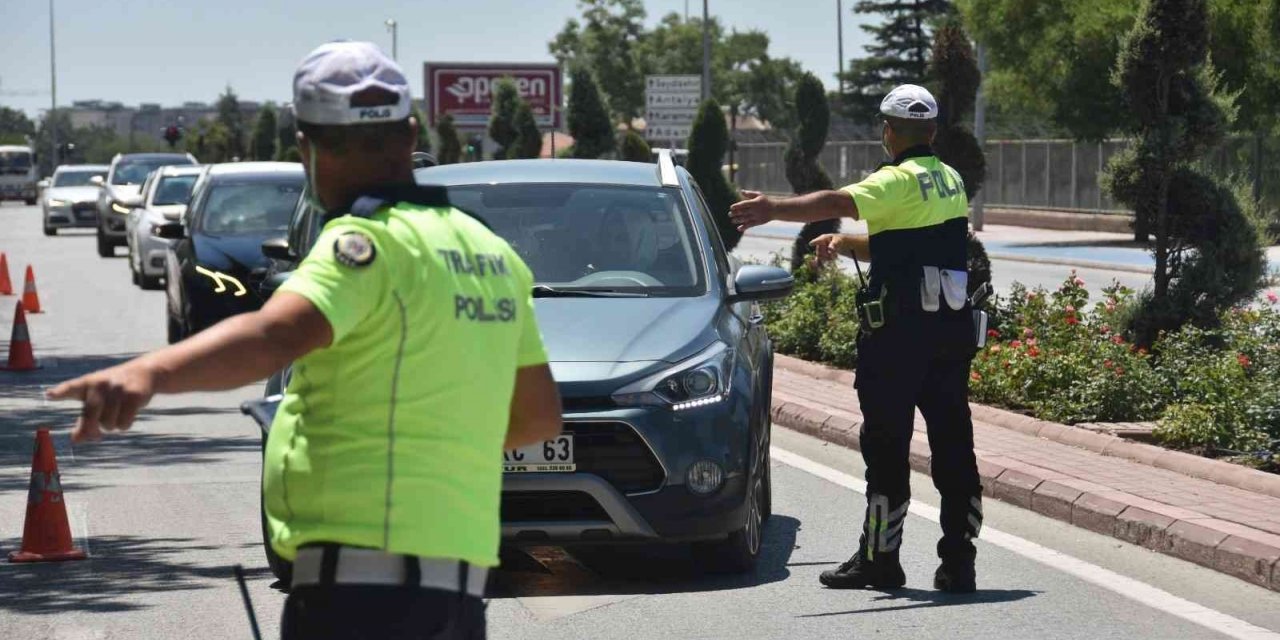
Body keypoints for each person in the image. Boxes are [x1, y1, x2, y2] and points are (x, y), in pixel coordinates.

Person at [48, 41, 563, 638]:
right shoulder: (490, 253)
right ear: (411, 134)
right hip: (458, 595)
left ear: (309, 149)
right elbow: (537, 417)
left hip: (360, 598)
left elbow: (274, 333)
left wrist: (149, 373)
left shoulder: (364, 245)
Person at [729, 84, 983, 593]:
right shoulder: (947, 179)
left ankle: (879, 560)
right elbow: (908, 245)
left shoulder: (895, 180)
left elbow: (835, 199)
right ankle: (959, 563)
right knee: (954, 446)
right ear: (931, 132)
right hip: (949, 335)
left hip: (898, 342)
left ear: (889, 132)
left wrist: (774, 208)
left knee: (886, 450)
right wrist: (846, 243)